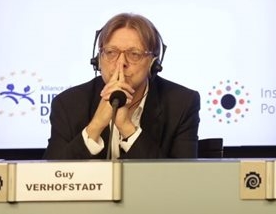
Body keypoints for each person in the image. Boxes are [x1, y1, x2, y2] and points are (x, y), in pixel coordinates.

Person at [44, 12, 201, 159]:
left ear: (153, 64)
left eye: (134, 54)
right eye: (111, 52)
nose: (121, 63)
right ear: (98, 60)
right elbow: (50, 174)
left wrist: (127, 128)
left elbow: (180, 176)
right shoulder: (68, 104)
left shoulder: (182, 104)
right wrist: (96, 126)